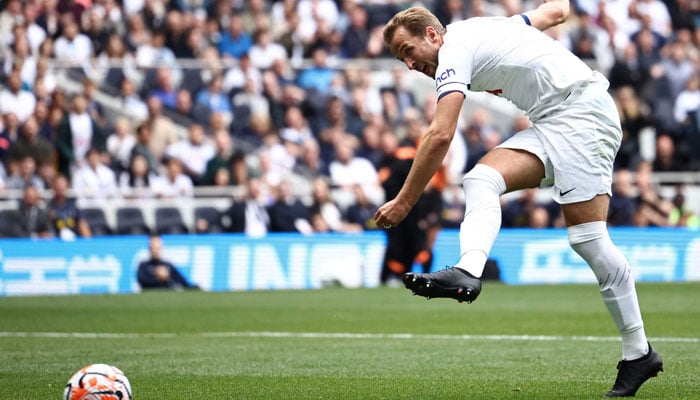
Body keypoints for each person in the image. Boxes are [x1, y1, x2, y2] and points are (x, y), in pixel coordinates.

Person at [374, 4, 662, 397]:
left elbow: (439, 135)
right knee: (480, 179)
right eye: (399, 58)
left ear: (431, 35)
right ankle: (468, 272)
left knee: (589, 240)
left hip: (583, 115)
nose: (408, 64)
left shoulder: (454, 52)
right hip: (554, 120)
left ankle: (638, 353)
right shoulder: (491, 28)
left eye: (407, 51)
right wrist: (561, 10)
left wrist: (404, 203)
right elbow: (552, 12)